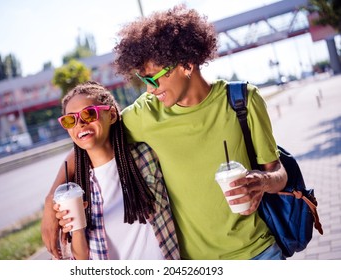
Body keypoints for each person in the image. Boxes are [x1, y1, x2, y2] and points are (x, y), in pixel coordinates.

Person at [42, 5, 287, 260]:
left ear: (187, 64)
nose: (149, 90)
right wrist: (51, 201)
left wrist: (263, 182)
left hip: (259, 252)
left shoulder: (243, 100)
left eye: (153, 78)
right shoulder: (146, 115)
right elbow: (92, 137)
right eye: (144, 80)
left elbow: (278, 173)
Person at [48, 81, 179, 260]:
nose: (80, 124)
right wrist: (77, 228)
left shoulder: (146, 156)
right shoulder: (76, 189)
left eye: (89, 114)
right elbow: (82, 258)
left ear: (111, 115)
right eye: (70, 120)